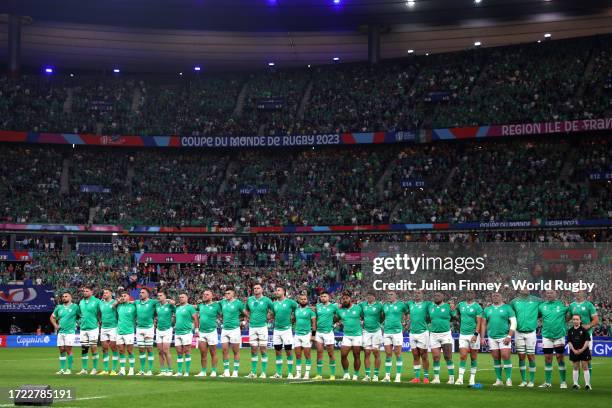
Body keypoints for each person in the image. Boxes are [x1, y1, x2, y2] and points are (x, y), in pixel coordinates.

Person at [482, 292, 515, 386]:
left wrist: (509, 336)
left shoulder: (507, 308)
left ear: (501, 297)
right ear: (491, 298)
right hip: (492, 337)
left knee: (505, 356)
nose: (495, 297)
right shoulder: (487, 309)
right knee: (496, 358)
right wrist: (483, 337)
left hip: (504, 336)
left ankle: (508, 379)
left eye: (497, 295)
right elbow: (484, 324)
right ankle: (499, 380)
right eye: (493, 296)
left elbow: (513, 323)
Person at [538, 290, 569, 389]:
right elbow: (536, 316)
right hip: (546, 335)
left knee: (560, 357)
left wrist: (564, 323)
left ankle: (563, 382)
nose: (549, 295)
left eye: (551, 293)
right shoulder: (542, 306)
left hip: (559, 335)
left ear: (556, 294)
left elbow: (571, 314)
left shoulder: (562, 304)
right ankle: (548, 382)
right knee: (547, 358)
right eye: (547, 293)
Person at [510, 289, 541, 387]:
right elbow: (510, 315)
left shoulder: (537, 300)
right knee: (521, 356)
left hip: (531, 332)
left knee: (531, 356)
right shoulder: (514, 301)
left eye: (527, 287)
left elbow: (542, 311)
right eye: (523, 287)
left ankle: (531, 381)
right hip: (518, 332)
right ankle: (523, 380)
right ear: (520, 289)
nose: (525, 289)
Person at [244, 284, 274, 379]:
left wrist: (268, 318)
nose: (256, 289)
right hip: (252, 327)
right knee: (253, 349)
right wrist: (248, 318)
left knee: (263, 349)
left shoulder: (267, 300)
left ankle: (263, 372)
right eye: (254, 288)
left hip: (262, 327)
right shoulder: (250, 300)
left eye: (258, 288)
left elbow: (274, 310)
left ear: (262, 289)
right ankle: (253, 372)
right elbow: (246, 310)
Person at [428, 292, 456, 384]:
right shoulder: (430, 307)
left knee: (448, 356)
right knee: (435, 357)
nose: (436, 297)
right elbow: (428, 318)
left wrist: (453, 308)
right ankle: (436, 378)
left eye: (438, 296)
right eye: (435, 296)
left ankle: (451, 378)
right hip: (433, 334)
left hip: (445, 334)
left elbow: (455, 316)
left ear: (443, 297)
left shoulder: (448, 307)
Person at [568, 291, 598, 378]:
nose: (577, 293)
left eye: (579, 292)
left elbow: (596, 320)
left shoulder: (589, 305)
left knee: (587, 360)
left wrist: (588, 325)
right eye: (576, 292)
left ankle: (588, 383)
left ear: (583, 293)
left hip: (586, 335)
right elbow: (567, 318)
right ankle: (576, 383)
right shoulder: (572, 305)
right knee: (575, 360)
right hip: (575, 336)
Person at [455, 291, 482, 386]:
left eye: (471, 293)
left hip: (473, 334)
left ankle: (472, 379)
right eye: (468, 293)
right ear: (465, 294)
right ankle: (460, 378)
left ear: (474, 295)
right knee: (463, 356)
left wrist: (476, 334)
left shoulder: (477, 307)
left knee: (473, 357)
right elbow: (456, 313)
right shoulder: (460, 305)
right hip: (462, 334)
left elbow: (479, 322)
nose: (469, 294)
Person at [271, 286, 298, 379]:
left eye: (278, 290)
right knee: (277, 351)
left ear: (284, 292)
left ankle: (290, 373)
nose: (276, 292)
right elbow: (273, 315)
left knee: (288, 351)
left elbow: (298, 310)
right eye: (276, 290)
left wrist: (294, 318)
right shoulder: (274, 304)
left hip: (287, 330)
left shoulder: (290, 302)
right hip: (277, 330)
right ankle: (278, 373)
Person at [382, 291, 408, 383]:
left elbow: (407, 313)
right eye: (388, 295)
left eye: (391, 294)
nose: (389, 296)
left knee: (397, 353)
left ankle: (398, 376)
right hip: (387, 332)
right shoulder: (385, 305)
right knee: (388, 354)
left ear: (395, 296)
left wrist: (406, 324)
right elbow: (382, 316)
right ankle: (387, 376)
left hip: (397, 332)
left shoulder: (401, 304)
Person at [50, 292, 80, 375]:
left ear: (70, 298)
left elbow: (80, 316)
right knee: (61, 350)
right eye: (63, 296)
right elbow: (52, 317)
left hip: (70, 332)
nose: (64, 298)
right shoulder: (59, 307)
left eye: (66, 296)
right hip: (61, 332)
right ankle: (62, 369)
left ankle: (69, 369)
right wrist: (55, 325)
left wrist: (77, 322)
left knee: (68, 349)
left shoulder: (75, 307)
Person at [313, 291, 339, 380]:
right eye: (322, 296)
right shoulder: (318, 306)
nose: (323, 298)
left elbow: (341, 316)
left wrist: (335, 325)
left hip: (328, 332)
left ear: (328, 297)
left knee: (330, 353)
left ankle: (332, 374)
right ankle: (319, 374)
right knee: (319, 352)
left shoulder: (333, 306)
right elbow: (314, 318)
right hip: (319, 332)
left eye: (325, 296)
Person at [220, 288, 245, 377]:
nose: (227, 294)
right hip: (225, 329)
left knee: (236, 351)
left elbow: (245, 313)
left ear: (233, 294)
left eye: (229, 293)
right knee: (224, 350)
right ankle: (226, 371)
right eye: (226, 293)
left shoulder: (238, 303)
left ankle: (235, 371)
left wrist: (244, 321)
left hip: (234, 329)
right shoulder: (222, 302)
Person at [196, 289, 221, 377]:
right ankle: (203, 371)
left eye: (207, 294)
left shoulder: (216, 305)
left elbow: (222, 313)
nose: (205, 295)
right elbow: (193, 307)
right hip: (202, 332)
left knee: (213, 352)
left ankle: (213, 371)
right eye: (204, 294)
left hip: (212, 331)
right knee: (203, 353)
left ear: (212, 296)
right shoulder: (200, 305)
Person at [407, 290, 431, 384]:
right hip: (412, 332)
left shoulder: (427, 304)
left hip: (423, 332)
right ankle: (416, 377)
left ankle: (426, 377)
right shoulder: (410, 304)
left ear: (422, 295)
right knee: (415, 355)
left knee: (424, 355)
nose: (416, 294)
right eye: (415, 293)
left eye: (419, 293)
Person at [338, 291, 363, 381]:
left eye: (346, 298)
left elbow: (364, 317)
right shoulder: (340, 310)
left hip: (357, 335)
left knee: (356, 355)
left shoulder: (358, 308)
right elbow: (335, 319)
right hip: (347, 335)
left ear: (350, 299)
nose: (344, 300)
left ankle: (355, 375)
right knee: (343, 355)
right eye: (343, 299)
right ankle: (346, 374)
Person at [76, 286, 101, 375]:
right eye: (84, 291)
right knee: (84, 349)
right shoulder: (81, 302)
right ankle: (84, 369)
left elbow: (101, 312)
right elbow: (79, 314)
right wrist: (79, 322)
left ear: (92, 292)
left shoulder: (97, 301)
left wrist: (99, 320)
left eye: (87, 291)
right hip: (83, 328)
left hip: (93, 328)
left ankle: (95, 369)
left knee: (93, 348)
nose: (85, 292)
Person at [360, 292, 383, 382]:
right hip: (366, 331)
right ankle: (367, 375)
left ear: (374, 297)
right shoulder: (363, 305)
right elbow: (361, 315)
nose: (369, 297)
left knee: (376, 352)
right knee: (367, 352)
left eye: (370, 296)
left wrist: (379, 322)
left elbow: (383, 316)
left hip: (376, 331)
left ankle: (376, 375)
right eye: (367, 296)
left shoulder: (379, 305)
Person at [173, 293, 197, 377]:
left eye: (182, 297)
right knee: (179, 352)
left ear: (187, 298)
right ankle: (179, 372)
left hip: (186, 332)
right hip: (177, 332)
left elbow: (195, 318)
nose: (181, 298)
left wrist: (196, 329)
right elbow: (176, 318)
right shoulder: (177, 308)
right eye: (179, 297)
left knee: (187, 351)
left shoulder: (190, 307)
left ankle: (186, 371)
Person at [135, 288, 158, 376]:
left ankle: (150, 370)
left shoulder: (152, 302)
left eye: (143, 292)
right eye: (140, 292)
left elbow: (162, 301)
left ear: (147, 294)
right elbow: (130, 302)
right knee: (141, 350)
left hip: (148, 328)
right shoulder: (137, 302)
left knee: (149, 349)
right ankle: (142, 370)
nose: (140, 294)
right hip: (139, 328)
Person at [293, 293, 316, 379]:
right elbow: (294, 320)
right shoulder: (296, 310)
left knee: (307, 355)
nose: (303, 300)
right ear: (299, 300)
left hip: (307, 334)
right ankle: (298, 374)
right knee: (298, 355)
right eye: (301, 299)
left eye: (305, 299)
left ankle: (307, 373)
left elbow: (314, 323)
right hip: (297, 334)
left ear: (307, 300)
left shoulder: (311, 311)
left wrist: (313, 335)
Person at [567, 314, 592, 391]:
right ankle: (575, 384)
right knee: (575, 366)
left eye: (577, 319)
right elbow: (569, 342)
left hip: (584, 351)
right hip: (574, 351)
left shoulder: (584, 330)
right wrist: (574, 350)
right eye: (574, 319)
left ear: (580, 320)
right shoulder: (570, 330)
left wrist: (582, 349)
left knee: (585, 366)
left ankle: (587, 384)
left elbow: (587, 340)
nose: (575, 321)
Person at [115, 291, 137, 376]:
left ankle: (131, 369)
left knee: (130, 351)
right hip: (119, 332)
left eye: (125, 296)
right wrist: (117, 301)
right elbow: (112, 305)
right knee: (121, 351)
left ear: (129, 297)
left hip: (129, 332)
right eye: (122, 296)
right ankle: (122, 370)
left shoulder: (133, 306)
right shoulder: (119, 306)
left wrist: (133, 302)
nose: (123, 297)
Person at [99, 288, 119, 375]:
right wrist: (99, 320)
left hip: (113, 327)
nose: (105, 294)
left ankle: (114, 370)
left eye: (106, 292)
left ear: (111, 294)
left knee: (113, 347)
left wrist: (117, 301)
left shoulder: (115, 302)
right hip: (103, 327)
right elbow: (99, 313)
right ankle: (105, 369)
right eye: (104, 293)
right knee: (104, 349)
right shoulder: (101, 303)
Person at [154, 291, 175, 376]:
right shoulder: (157, 305)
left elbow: (176, 311)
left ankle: (170, 370)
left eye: (161, 295)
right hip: (159, 330)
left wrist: (172, 303)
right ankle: (162, 370)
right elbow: (154, 315)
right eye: (158, 295)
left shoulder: (170, 305)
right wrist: (155, 322)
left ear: (165, 296)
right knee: (160, 351)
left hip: (167, 330)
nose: (158, 297)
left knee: (166, 350)